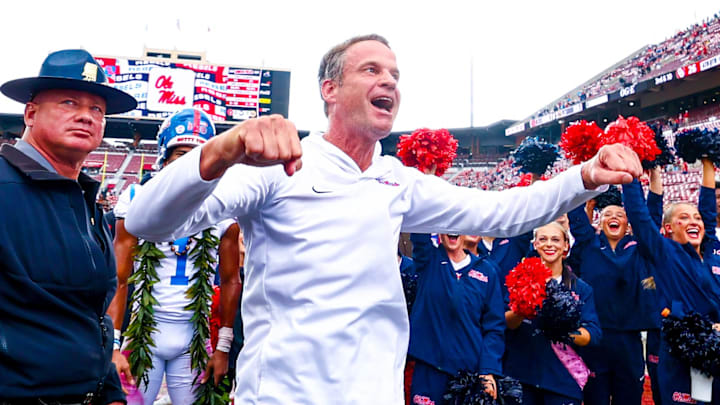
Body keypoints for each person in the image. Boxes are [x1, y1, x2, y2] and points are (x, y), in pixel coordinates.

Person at [124, 35, 642, 404]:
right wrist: (218, 152)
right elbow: (148, 222)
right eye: (371, 70)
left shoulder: (398, 181)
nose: (388, 80)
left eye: (394, 74)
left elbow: (502, 213)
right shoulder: (275, 168)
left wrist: (585, 176)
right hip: (283, 394)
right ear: (329, 89)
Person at [0, 49, 137, 404]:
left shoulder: (84, 199)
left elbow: (89, 313)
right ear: (30, 113)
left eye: (97, 109)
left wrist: (110, 392)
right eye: (69, 102)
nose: (86, 117)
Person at [108, 108, 241, 405]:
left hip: (195, 339)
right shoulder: (136, 200)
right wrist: (113, 345)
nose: (188, 164)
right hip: (143, 335)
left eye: (197, 155)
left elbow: (232, 280)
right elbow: (119, 278)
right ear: (164, 159)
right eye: (181, 154)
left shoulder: (223, 208)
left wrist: (223, 347)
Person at [623, 158, 720, 404]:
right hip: (680, 356)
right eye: (684, 218)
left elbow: (708, 210)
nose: (694, 221)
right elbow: (639, 215)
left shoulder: (711, 255)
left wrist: (708, 161)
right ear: (667, 228)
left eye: (696, 218)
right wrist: (630, 174)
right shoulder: (664, 252)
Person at [566, 171, 662, 405]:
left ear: (628, 223)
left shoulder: (640, 247)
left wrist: (653, 173)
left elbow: (651, 214)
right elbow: (575, 214)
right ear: (598, 221)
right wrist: (583, 174)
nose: (614, 216)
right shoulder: (589, 244)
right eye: (608, 213)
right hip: (593, 337)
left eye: (620, 214)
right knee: (594, 399)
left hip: (629, 339)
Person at [504, 222, 602, 405]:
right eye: (543, 239)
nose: (549, 244)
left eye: (556, 239)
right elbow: (504, 322)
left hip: (562, 382)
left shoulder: (581, 289)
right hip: (521, 378)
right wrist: (523, 309)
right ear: (535, 245)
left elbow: (593, 334)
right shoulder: (519, 279)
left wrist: (562, 329)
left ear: (566, 245)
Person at [408, 232, 505, 404]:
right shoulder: (429, 259)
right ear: (438, 231)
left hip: (467, 376)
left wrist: (488, 369)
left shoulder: (487, 271)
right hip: (429, 371)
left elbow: (494, 328)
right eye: (448, 226)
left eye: (457, 226)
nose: (453, 231)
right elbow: (419, 231)